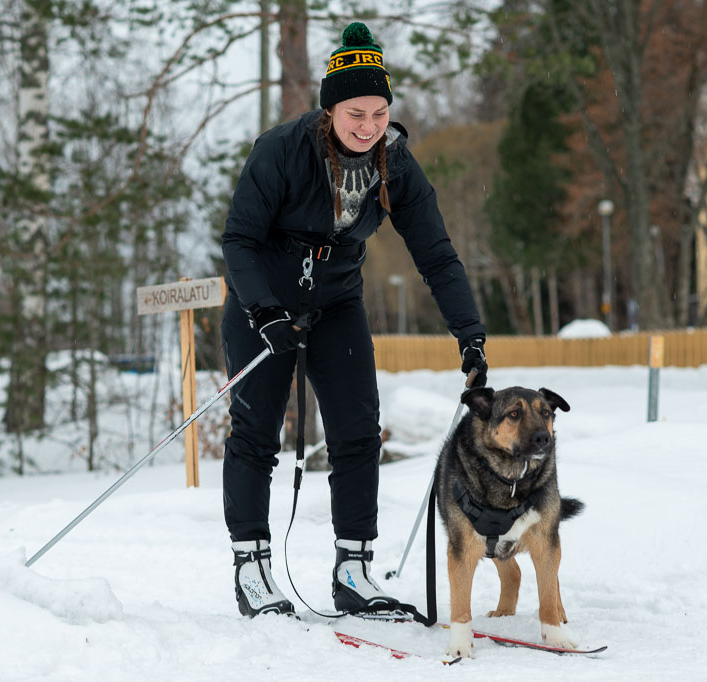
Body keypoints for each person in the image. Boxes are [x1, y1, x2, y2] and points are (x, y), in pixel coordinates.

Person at [220, 21, 489, 618]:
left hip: (336, 302)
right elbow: (238, 239)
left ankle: (353, 570)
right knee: (255, 436)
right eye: (354, 113)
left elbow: (437, 257)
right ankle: (252, 567)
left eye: (378, 112)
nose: (368, 127)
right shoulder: (282, 150)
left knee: (357, 432)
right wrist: (263, 310)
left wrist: (469, 336)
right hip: (261, 303)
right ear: (330, 110)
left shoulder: (395, 164)